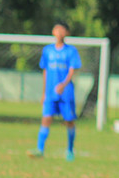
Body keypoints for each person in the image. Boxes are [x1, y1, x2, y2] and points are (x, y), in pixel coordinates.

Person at [29, 21, 81, 161]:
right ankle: (40, 149)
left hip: (66, 92)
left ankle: (70, 150)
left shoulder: (71, 51)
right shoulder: (48, 50)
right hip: (50, 93)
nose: (59, 33)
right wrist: (44, 92)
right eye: (56, 30)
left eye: (62, 30)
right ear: (53, 32)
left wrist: (64, 84)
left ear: (67, 33)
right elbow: (45, 71)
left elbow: (72, 70)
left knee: (69, 121)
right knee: (46, 118)